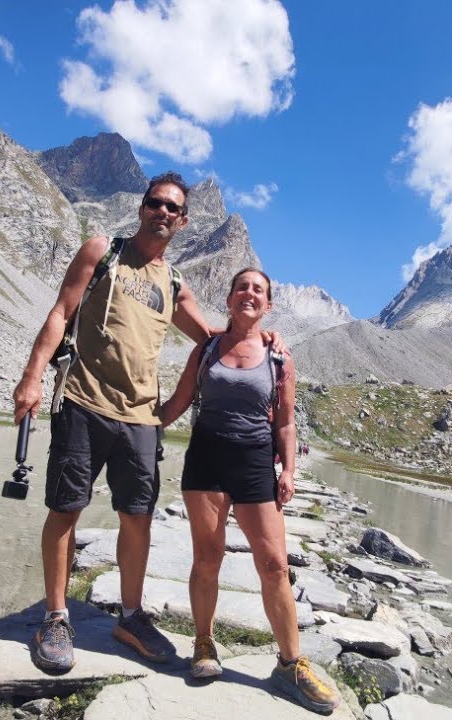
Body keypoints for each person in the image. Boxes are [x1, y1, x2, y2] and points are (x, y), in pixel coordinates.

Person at [12, 173, 285, 673]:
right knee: (65, 508)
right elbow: (60, 312)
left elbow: (211, 337)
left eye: (173, 208)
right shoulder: (102, 252)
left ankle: (131, 616)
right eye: (155, 203)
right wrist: (32, 378)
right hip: (83, 400)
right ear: (142, 209)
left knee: (137, 518)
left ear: (183, 221)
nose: (163, 212)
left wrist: (261, 340)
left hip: (141, 415)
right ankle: (55, 617)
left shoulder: (174, 281)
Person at [159, 268, 341, 714]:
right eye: (242, 287)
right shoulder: (206, 349)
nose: (249, 293)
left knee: (276, 565)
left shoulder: (280, 356)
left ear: (268, 305)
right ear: (229, 297)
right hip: (206, 459)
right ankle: (204, 644)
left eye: (258, 290)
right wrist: (134, 423)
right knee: (208, 556)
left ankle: (290, 665)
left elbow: (286, 421)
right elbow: (178, 403)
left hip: (257, 462)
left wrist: (290, 470)